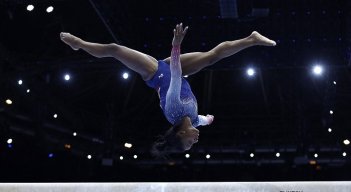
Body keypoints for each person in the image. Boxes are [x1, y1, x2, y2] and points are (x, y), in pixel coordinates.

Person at [60, 23, 276, 157]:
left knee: (115, 49)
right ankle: (252, 39)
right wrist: (209, 119)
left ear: (181, 133)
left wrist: (176, 45)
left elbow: (174, 72)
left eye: (190, 141)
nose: (196, 140)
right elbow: (204, 119)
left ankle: (79, 43)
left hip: (156, 73)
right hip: (176, 72)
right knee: (213, 56)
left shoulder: (174, 110)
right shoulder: (193, 121)